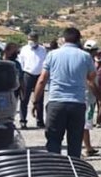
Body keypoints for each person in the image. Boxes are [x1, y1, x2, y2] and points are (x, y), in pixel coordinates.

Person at [32, 26, 97, 158]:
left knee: (54, 140)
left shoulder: (52, 55)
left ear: (64, 39)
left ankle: (55, 172)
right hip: (77, 104)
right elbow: (91, 77)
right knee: (74, 142)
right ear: (79, 40)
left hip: (56, 102)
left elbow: (42, 79)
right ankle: (72, 173)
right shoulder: (85, 56)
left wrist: (35, 101)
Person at [17, 32, 48, 129]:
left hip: (39, 76)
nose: (31, 41)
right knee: (24, 98)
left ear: (37, 40)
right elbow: (21, 63)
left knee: (39, 99)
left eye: (33, 39)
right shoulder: (24, 49)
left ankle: (40, 121)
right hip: (27, 74)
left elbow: (45, 62)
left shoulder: (42, 50)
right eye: (29, 39)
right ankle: (23, 121)